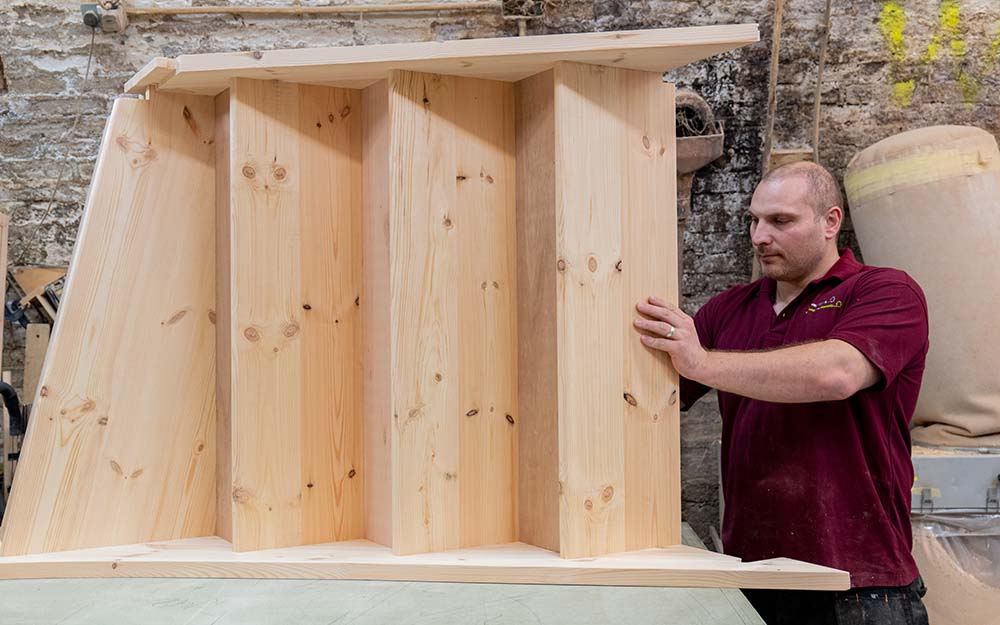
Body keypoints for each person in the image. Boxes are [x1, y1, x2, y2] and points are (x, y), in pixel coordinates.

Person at [634, 162, 930, 625]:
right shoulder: (729, 310)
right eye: (753, 220)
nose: (759, 236)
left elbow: (837, 374)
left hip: (859, 587)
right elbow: (650, 396)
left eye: (780, 221)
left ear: (830, 222)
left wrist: (704, 362)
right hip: (755, 577)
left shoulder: (885, 292)